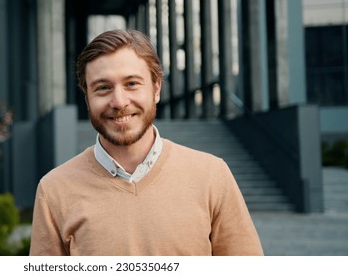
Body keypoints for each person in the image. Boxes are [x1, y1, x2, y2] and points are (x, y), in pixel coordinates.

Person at [29, 29, 263, 256]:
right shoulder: (54, 190)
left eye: (131, 83)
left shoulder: (212, 175)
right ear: (87, 97)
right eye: (103, 88)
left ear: (156, 88)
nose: (119, 102)